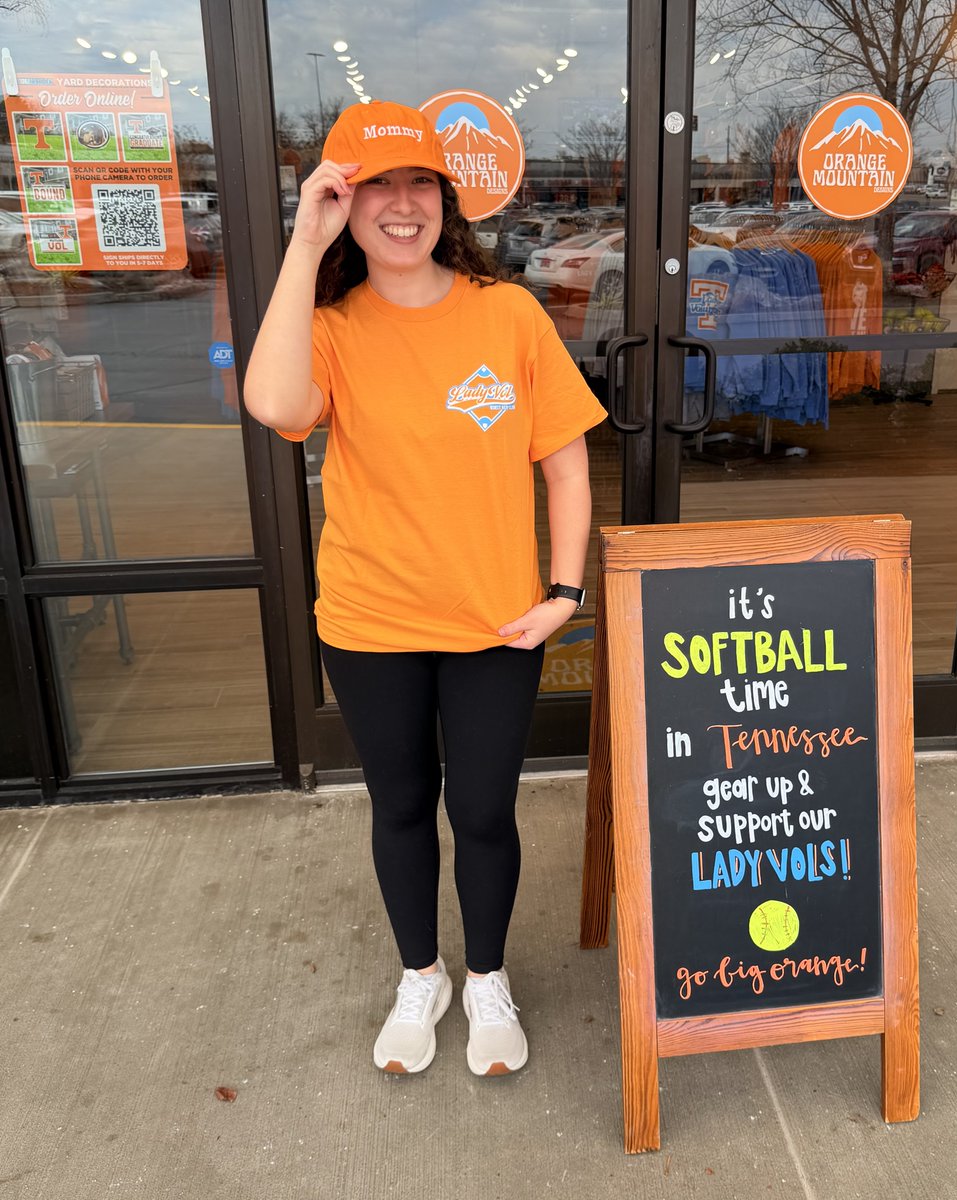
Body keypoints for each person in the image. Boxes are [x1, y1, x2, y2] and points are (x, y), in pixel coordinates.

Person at [243, 101, 606, 1077]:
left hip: (496, 622)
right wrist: (301, 244)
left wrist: (565, 590)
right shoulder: (326, 325)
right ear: (343, 201)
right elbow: (276, 406)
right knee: (399, 807)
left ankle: (485, 978)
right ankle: (423, 974)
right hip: (370, 621)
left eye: (420, 184)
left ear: (448, 200)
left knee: (484, 811)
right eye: (374, 187)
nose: (400, 206)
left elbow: (566, 467)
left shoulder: (509, 314)